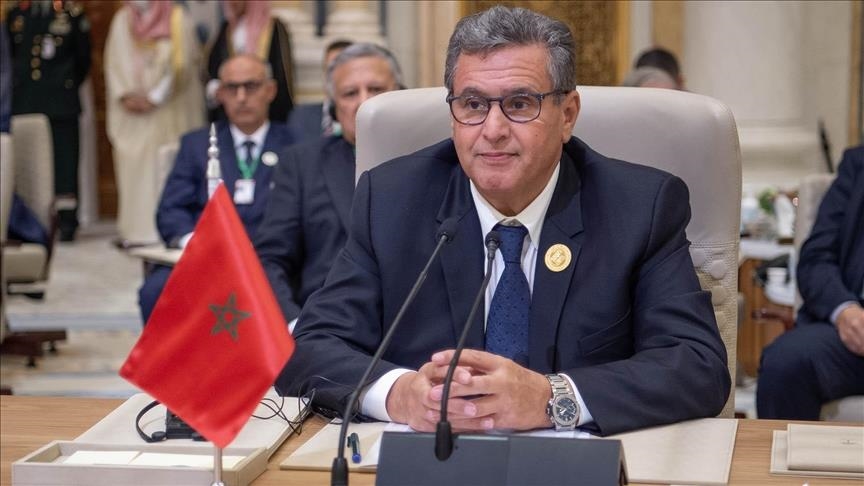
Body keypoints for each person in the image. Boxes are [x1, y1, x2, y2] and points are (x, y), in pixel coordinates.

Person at [275, 6, 729, 436]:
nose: (492, 130)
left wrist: (552, 398)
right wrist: (401, 394)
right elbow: (310, 348)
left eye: (520, 103)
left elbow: (697, 365)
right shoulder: (392, 200)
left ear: (567, 115)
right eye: (473, 104)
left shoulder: (639, 206)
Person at [255, 43, 403, 328]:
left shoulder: (439, 159)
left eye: (376, 90)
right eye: (350, 93)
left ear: (399, 94)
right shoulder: (302, 164)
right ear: (334, 107)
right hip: (326, 328)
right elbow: (269, 258)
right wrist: (294, 325)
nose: (364, 103)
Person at [138, 54, 293, 323]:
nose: (241, 97)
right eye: (232, 88)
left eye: (251, 86)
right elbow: (171, 210)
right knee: (155, 290)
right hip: (208, 258)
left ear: (270, 90)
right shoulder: (196, 145)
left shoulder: (296, 146)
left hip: (273, 260)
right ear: (220, 94)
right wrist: (197, 243)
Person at [757, 145, 864, 419]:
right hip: (854, 331)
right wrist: (845, 311)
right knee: (785, 361)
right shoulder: (857, 164)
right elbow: (816, 259)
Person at [105, 0, 205, 247]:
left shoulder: (178, 19)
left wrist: (156, 97)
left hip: (169, 111)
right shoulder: (123, 20)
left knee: (168, 168)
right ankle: (138, 231)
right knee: (137, 173)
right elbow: (114, 62)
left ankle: (169, 229)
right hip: (134, 116)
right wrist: (126, 95)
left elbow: (183, 65)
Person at [6, 0, 91, 241]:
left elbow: (83, 59)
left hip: (61, 101)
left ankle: (66, 220)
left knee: (65, 164)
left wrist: (64, 85)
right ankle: (29, 221)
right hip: (26, 102)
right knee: (27, 164)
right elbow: (11, 57)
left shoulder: (71, 14)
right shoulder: (16, 13)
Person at [205, 0, 294, 123]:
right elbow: (213, 66)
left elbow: (281, 71)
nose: (232, 3)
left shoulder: (274, 27)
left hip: (267, 110)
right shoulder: (227, 28)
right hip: (231, 110)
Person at [285, 39, 352, 142]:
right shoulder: (301, 116)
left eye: (346, 70)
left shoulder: (369, 118)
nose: (337, 77)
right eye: (331, 69)